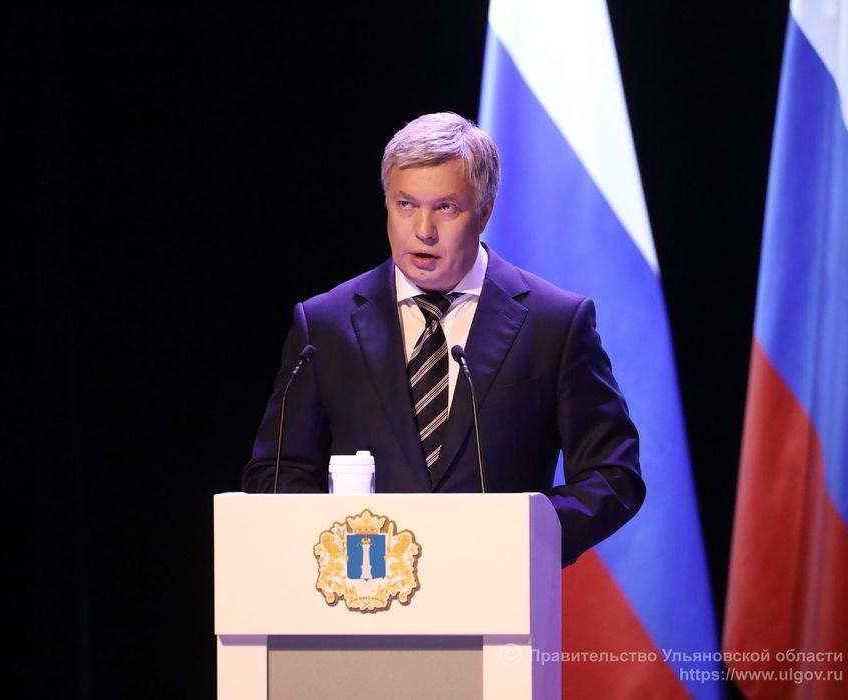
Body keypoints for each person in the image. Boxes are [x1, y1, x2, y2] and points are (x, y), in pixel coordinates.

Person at [241, 112, 644, 565]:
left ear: (485, 211)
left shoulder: (555, 323)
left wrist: (528, 534)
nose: (423, 230)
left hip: (497, 587)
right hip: (363, 589)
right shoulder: (324, 325)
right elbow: (278, 471)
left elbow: (612, 475)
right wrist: (336, 547)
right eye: (405, 204)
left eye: (445, 207)